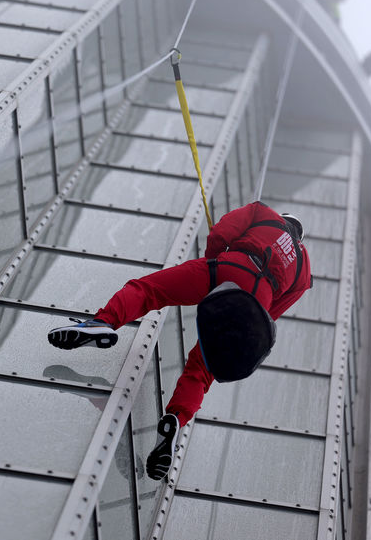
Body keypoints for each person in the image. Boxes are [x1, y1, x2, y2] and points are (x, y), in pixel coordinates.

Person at [47, 202, 312, 480]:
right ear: (300, 236)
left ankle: (102, 323)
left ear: (284, 219)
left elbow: (220, 233)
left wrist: (212, 265)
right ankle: (175, 419)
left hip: (229, 266)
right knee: (202, 369)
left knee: (149, 289)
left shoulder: (264, 213)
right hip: (258, 297)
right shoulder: (304, 271)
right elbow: (270, 316)